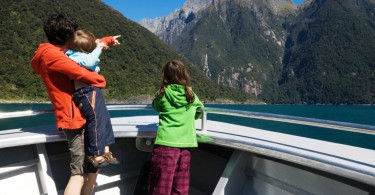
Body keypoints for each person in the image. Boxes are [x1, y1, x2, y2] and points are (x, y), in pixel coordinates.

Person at [30, 13, 105, 195]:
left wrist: (101, 44)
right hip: (73, 118)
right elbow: (82, 74)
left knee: (93, 164)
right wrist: (100, 79)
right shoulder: (52, 56)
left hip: (79, 113)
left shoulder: (53, 53)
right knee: (78, 172)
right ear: (67, 37)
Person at [65, 29, 121, 168]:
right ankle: (96, 154)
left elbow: (89, 53)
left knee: (104, 119)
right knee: (95, 120)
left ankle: (106, 150)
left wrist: (106, 40)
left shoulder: (78, 53)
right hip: (86, 91)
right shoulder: (73, 56)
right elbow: (89, 61)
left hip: (92, 90)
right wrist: (100, 45)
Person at [148, 60, 204, 195]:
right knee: (180, 189)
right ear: (184, 74)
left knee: (160, 187)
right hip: (185, 146)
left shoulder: (163, 93)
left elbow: (155, 106)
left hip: (165, 146)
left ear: (165, 75)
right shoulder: (191, 94)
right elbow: (199, 111)